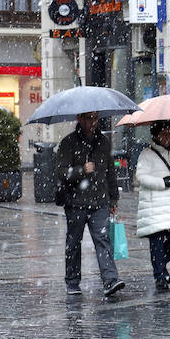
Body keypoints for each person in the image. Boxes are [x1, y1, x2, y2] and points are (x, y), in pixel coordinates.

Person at [56, 111, 125, 297]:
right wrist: (81, 170)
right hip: (76, 202)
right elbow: (61, 172)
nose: (93, 122)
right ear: (79, 119)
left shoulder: (103, 142)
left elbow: (110, 172)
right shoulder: (68, 142)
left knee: (103, 240)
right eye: (88, 118)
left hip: (99, 201)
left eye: (95, 118)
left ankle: (110, 280)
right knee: (73, 242)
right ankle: (72, 281)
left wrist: (113, 198)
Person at [135, 121, 170, 291]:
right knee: (157, 241)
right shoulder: (147, 154)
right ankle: (160, 276)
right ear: (156, 135)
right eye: (164, 133)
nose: (168, 137)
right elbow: (141, 177)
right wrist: (162, 182)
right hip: (154, 205)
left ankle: (160, 265)